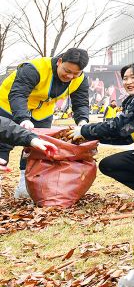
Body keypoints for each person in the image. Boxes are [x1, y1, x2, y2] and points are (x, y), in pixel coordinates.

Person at [0, 48, 91, 199]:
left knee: (38, 147)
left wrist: (82, 121)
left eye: (76, 73)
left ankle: (25, 186)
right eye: (67, 71)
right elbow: (18, 94)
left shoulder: (80, 79)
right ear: (60, 61)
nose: (70, 76)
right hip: (9, 105)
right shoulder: (34, 68)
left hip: (42, 112)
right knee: (3, 143)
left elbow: (81, 102)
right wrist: (23, 119)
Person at [68, 63, 134, 208]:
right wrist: (92, 138)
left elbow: (119, 125)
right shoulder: (133, 100)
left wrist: (85, 130)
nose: (128, 82)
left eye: (133, 77)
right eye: (125, 78)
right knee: (109, 164)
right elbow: (125, 136)